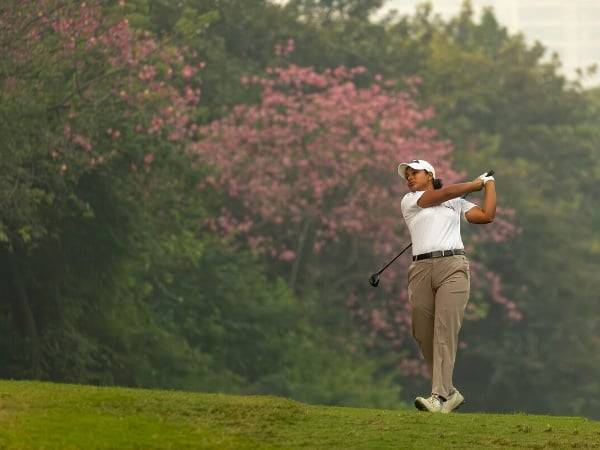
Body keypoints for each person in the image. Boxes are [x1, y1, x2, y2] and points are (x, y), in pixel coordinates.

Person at [397, 159, 496, 413]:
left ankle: (438, 396)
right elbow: (446, 192)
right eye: (406, 175)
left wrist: (489, 185)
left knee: (444, 329)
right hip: (420, 270)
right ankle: (450, 392)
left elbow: (486, 216)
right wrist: (475, 183)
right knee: (422, 332)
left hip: (453, 267)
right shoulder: (411, 200)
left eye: (414, 173)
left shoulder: (456, 203)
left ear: (429, 174)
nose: (409, 178)